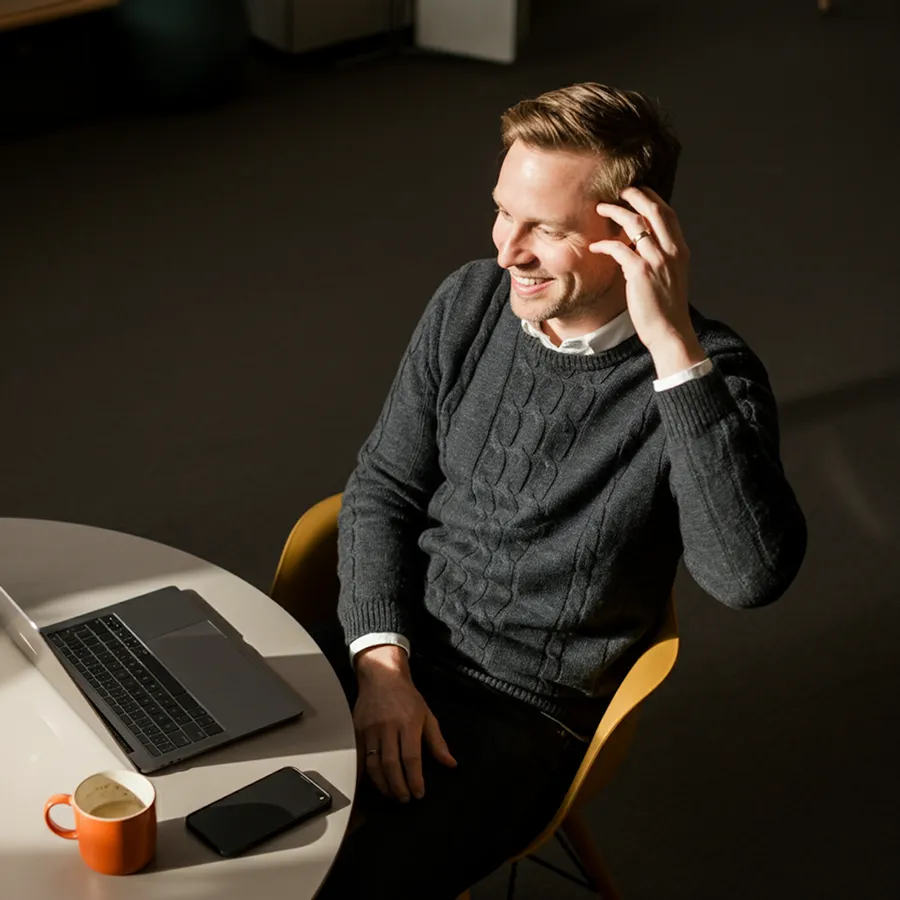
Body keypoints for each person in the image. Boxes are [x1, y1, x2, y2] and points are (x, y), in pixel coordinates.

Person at [313, 82, 807, 898]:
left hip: (521, 714)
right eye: (504, 210)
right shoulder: (468, 301)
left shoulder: (709, 376)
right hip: (392, 647)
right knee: (197, 787)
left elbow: (748, 578)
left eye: (544, 227)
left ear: (630, 237)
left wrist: (673, 351)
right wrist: (383, 666)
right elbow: (383, 488)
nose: (508, 249)